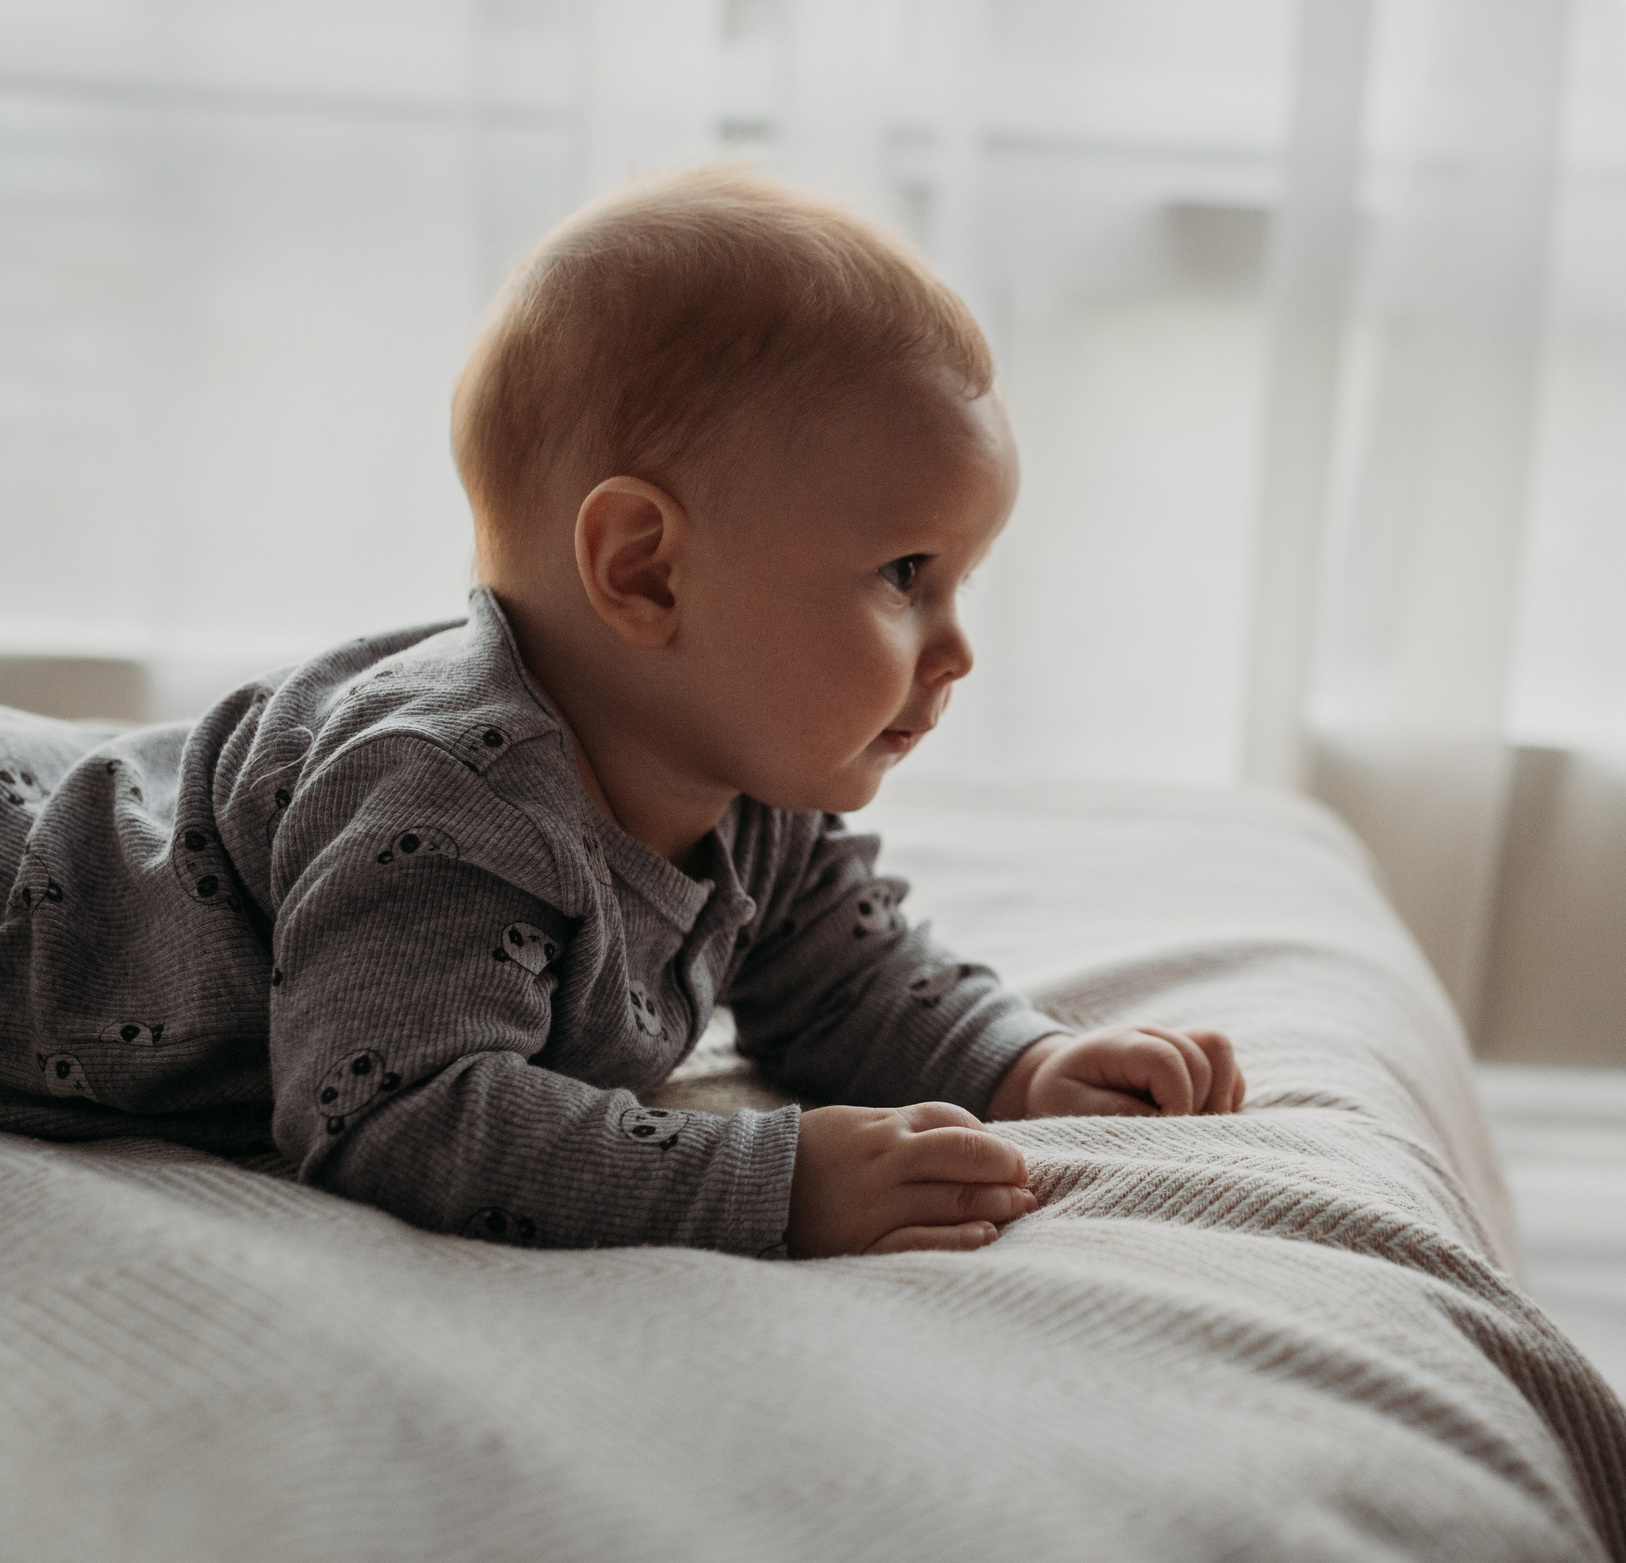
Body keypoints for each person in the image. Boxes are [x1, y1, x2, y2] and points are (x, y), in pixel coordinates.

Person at [0, 167, 1244, 1260]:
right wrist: (773, 1184)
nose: (959, 650)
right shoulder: (447, 801)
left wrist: (1018, 1063)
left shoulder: (748, 789)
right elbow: (395, 1112)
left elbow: (847, 981)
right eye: (904, 575)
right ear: (646, 570)